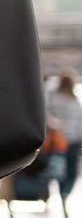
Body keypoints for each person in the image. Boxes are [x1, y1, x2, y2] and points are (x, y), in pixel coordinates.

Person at [48, 68, 82, 203]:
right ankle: (64, 192)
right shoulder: (73, 100)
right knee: (69, 169)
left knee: (61, 168)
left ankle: (64, 192)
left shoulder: (74, 99)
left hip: (63, 139)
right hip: (64, 139)